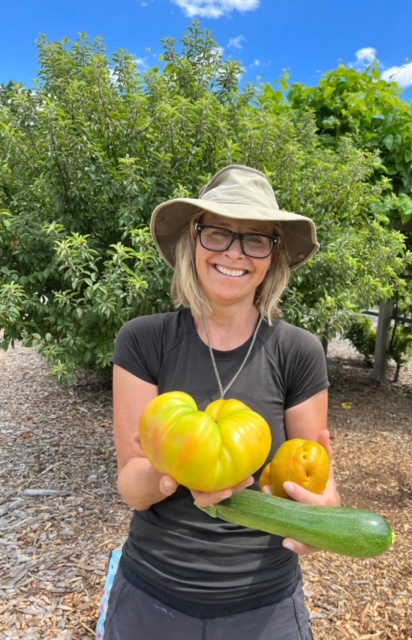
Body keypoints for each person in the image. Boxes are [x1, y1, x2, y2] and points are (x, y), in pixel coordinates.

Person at [104, 164, 341, 640]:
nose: (235, 253)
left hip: (264, 602)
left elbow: (318, 477)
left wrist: (321, 515)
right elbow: (132, 485)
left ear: (272, 258)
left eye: (256, 240)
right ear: (193, 241)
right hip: (154, 591)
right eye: (218, 233)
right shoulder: (143, 341)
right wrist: (175, 468)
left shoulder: (298, 351)